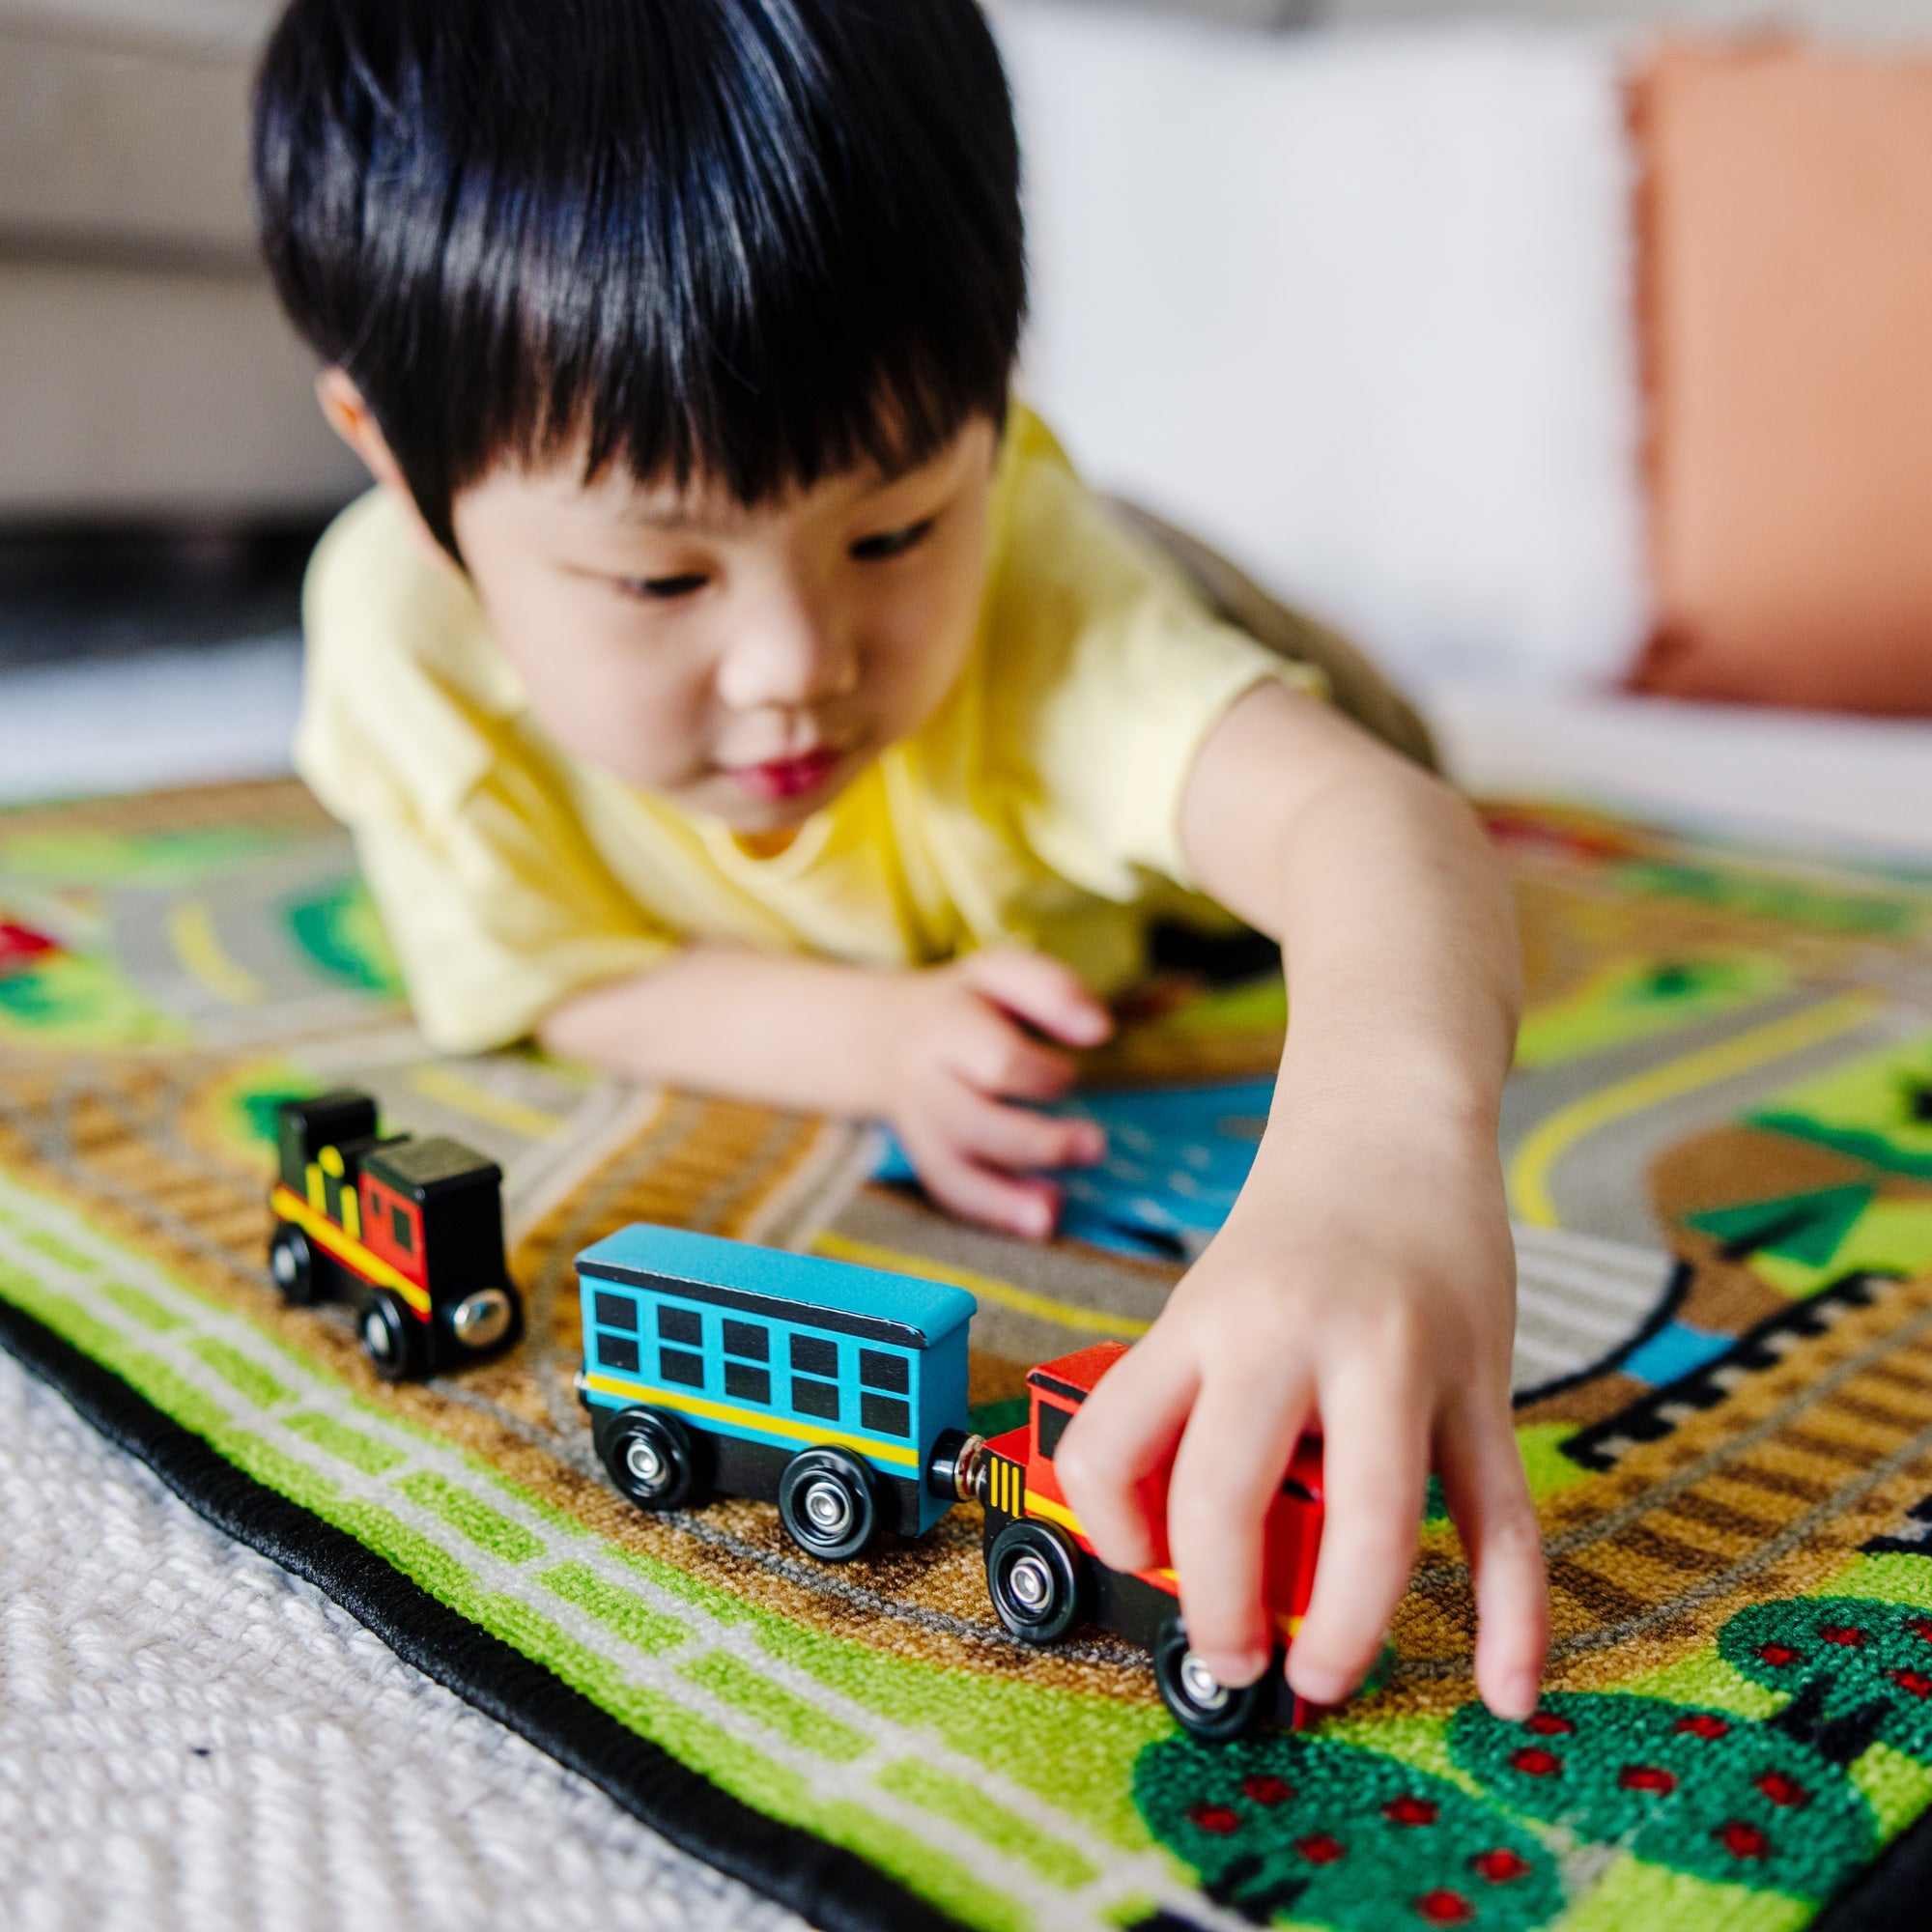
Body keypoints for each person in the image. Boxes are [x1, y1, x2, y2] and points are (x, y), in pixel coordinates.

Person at [255, 0, 1548, 1721]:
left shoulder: (1034, 598)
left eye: (887, 529)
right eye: (663, 578)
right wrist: (872, 1040)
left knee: (1379, 744)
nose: (796, 664)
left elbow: (1369, 825)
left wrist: (1378, 1157)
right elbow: (556, 977)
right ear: (404, 475)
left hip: (1121, 609)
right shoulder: (400, 647)